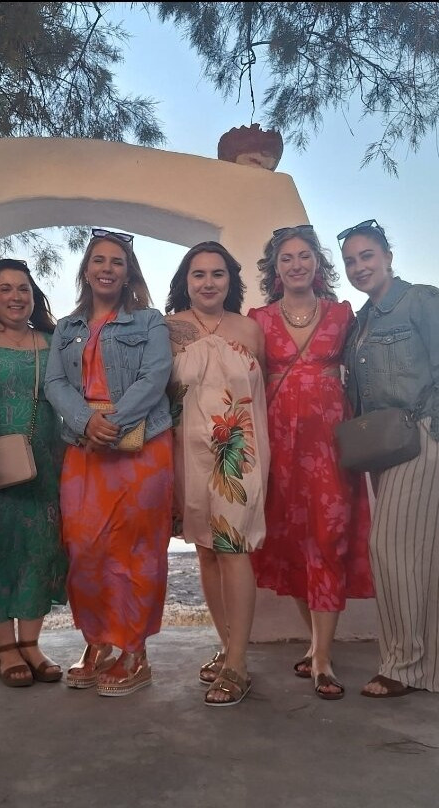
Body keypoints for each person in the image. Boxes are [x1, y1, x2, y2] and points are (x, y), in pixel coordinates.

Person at [339, 219, 439, 697]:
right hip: (388, 446)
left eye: (367, 256)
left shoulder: (425, 301)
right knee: (434, 556)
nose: (359, 267)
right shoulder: (362, 321)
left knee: (389, 549)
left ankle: (405, 666)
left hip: (430, 435)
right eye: (351, 261)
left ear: (388, 257)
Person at [246, 224, 374, 700]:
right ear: (275, 269)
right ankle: (316, 644)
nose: (296, 264)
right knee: (294, 542)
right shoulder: (258, 319)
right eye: (287, 258)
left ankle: (322, 656)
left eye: (304, 256)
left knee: (328, 539)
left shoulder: (342, 314)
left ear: (317, 263)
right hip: (279, 446)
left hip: (329, 448)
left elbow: (364, 371)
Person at [44, 228, 173, 697]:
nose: (107, 268)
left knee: (137, 549)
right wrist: (85, 421)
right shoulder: (67, 328)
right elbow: (55, 383)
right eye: (99, 260)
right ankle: (97, 641)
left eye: (117, 262)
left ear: (128, 273)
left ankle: (134, 652)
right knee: (84, 546)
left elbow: (155, 375)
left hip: (142, 446)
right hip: (85, 448)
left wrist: (112, 422)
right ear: (85, 270)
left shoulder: (149, 322)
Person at [165, 242, 269, 707]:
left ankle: (239, 663)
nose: (208, 282)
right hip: (186, 453)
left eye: (217, 274)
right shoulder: (167, 328)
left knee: (233, 547)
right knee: (206, 551)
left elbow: (264, 395)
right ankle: (227, 648)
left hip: (238, 453)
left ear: (231, 280)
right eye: (199, 274)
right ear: (185, 281)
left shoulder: (250, 329)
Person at [0, 259, 68, 688]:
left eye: (23, 288)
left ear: (34, 295)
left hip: (45, 465)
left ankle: (31, 644)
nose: (15, 296)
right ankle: (5, 648)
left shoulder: (53, 342)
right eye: (4, 289)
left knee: (40, 552)